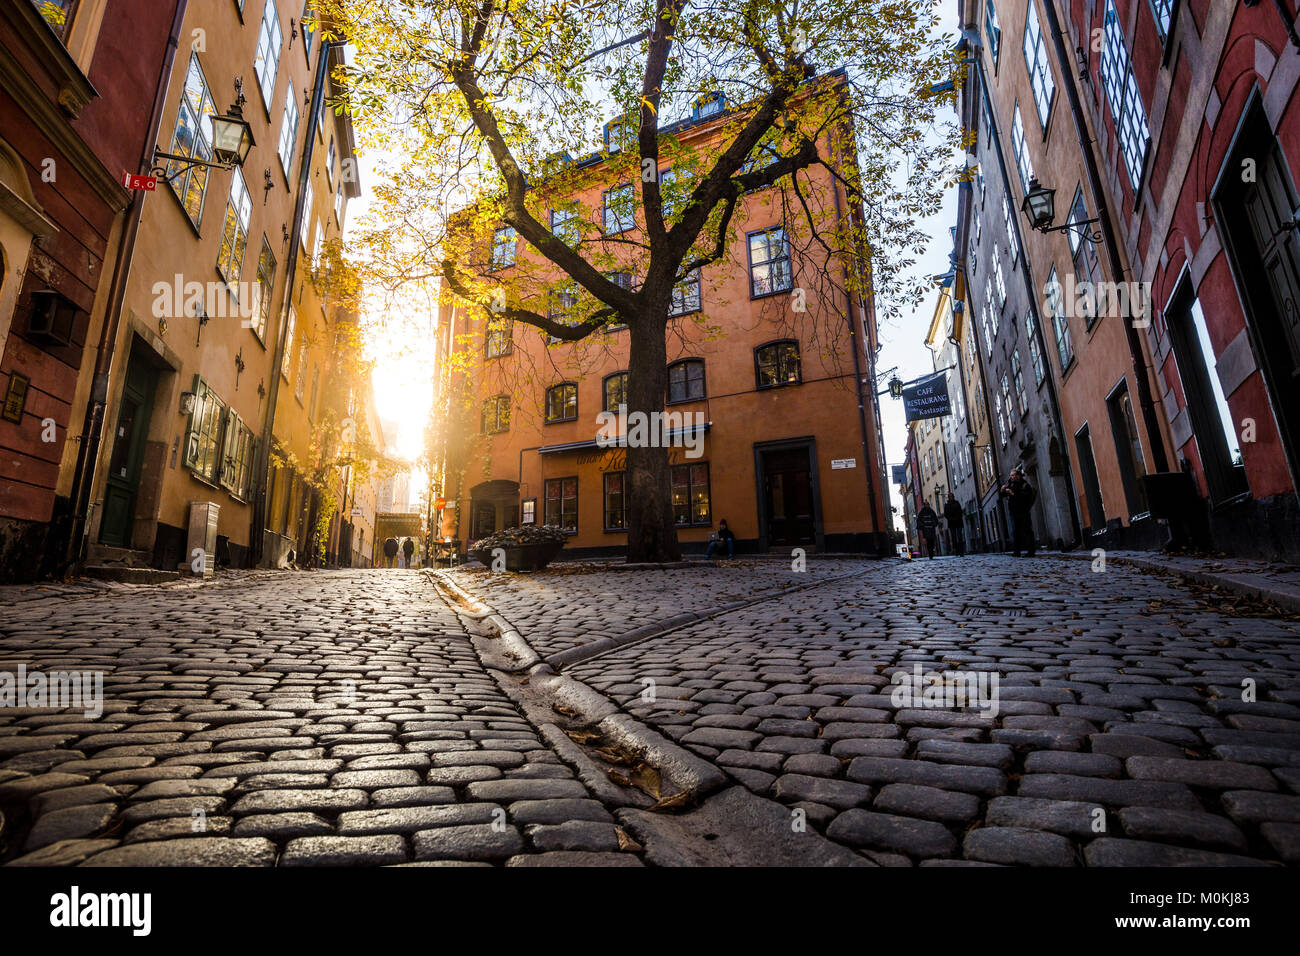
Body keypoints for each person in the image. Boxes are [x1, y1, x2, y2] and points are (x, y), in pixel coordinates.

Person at [1000, 468, 1038, 557]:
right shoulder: (1010, 484)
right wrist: (1002, 490)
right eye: (1011, 475)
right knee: (1015, 532)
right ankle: (1017, 551)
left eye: (1013, 475)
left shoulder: (1024, 485)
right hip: (1013, 511)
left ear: (1018, 476)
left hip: (1023, 511)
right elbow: (1003, 496)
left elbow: (1024, 497)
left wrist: (1012, 493)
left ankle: (1031, 551)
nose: (1011, 477)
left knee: (1027, 530)